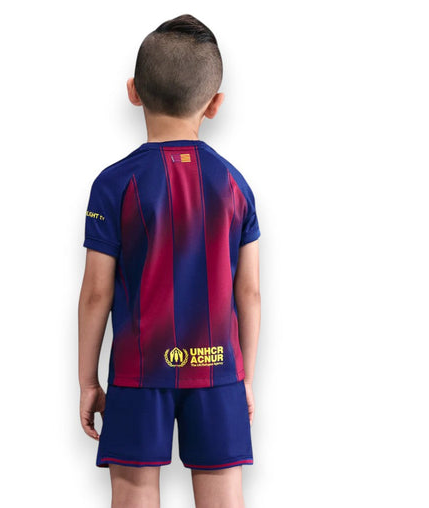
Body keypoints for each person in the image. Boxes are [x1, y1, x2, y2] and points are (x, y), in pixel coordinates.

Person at [78, 13, 261, 508]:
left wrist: (89, 380)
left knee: (133, 495)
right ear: (215, 103)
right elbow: (249, 293)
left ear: (134, 91)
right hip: (218, 370)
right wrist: (243, 378)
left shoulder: (114, 185)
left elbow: (96, 292)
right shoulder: (235, 186)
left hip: (138, 372)